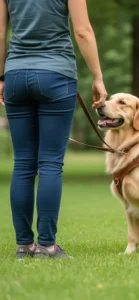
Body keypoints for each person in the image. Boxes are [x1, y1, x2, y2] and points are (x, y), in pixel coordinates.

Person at [0, 0, 107, 259]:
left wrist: (1, 77)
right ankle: (47, 246)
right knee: (50, 163)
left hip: (15, 74)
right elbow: (82, 30)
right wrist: (98, 77)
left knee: (24, 163)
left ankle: (24, 246)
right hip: (56, 75)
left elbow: (1, 33)